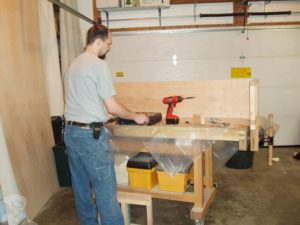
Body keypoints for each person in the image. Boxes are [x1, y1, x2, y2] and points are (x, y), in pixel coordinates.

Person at [63, 24, 149, 225]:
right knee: (105, 193)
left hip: (70, 133)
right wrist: (135, 116)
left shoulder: (73, 65)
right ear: (99, 41)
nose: (109, 48)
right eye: (108, 44)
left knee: (82, 190)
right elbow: (111, 106)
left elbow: (84, 100)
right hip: (90, 137)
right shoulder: (97, 65)